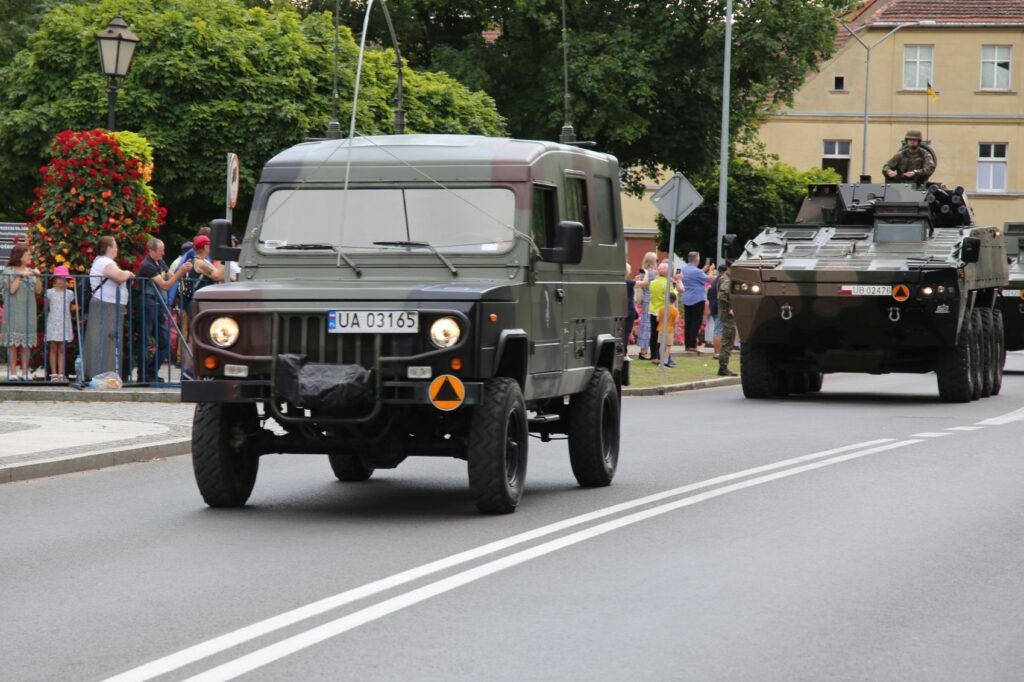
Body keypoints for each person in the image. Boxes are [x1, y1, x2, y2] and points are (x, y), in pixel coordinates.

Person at [136, 238, 192, 383]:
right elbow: (165, 285)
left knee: (165, 340)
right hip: (147, 303)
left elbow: (170, 276)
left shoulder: (160, 262)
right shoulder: (147, 265)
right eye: (161, 250)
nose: (163, 252)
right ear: (152, 251)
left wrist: (182, 274)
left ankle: (151, 371)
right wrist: (180, 272)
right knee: (145, 339)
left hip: (159, 304)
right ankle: (143, 375)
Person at [84, 236, 134, 380]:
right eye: (115, 246)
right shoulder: (105, 262)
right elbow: (119, 276)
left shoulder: (102, 262)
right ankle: (103, 374)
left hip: (107, 304)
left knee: (107, 339)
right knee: (106, 339)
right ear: (109, 248)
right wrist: (128, 273)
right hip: (106, 304)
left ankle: (104, 373)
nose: (117, 249)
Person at [1, 243, 43, 381]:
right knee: (13, 343)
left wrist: (37, 276)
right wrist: (20, 276)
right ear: (20, 256)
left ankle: (25, 372)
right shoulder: (8, 271)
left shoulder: (31, 271)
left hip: (28, 311)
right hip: (13, 311)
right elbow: (12, 290)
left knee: (26, 343)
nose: (31, 256)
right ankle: (13, 372)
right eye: (28, 254)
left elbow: (38, 291)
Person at [647, 260, 683, 364]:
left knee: (654, 334)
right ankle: (662, 357)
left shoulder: (653, 282)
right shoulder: (668, 283)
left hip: (653, 310)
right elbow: (672, 296)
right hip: (663, 312)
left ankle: (654, 356)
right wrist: (677, 287)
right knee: (663, 335)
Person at [45, 265, 76, 382]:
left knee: (62, 349)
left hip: (64, 322)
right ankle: (53, 374)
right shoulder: (50, 293)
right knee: (53, 348)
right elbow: (47, 308)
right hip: (53, 321)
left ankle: (62, 373)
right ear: (55, 279)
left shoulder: (69, 293)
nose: (63, 281)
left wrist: (75, 308)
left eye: (65, 279)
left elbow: (69, 307)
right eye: (60, 278)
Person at [680, 251, 710, 352]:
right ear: (696, 259)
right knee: (696, 322)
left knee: (688, 322)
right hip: (697, 299)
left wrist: (702, 270)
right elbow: (709, 279)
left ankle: (687, 344)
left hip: (686, 298)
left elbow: (694, 276)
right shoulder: (697, 272)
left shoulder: (683, 270)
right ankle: (692, 345)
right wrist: (710, 271)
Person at [634, 251, 658, 359]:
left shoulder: (643, 273)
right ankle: (644, 352)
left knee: (644, 324)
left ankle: (643, 350)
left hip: (645, 300)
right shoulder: (653, 273)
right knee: (649, 326)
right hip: (652, 299)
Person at [717, 261, 737, 376]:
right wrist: (729, 308)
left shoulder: (725, 278)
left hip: (726, 315)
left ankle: (723, 367)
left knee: (728, 341)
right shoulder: (727, 280)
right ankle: (723, 368)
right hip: (728, 316)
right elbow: (722, 295)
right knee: (727, 341)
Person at [657, 291, 680, 367]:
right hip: (669, 329)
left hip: (661, 328)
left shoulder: (661, 309)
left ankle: (661, 360)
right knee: (668, 346)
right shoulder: (675, 311)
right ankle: (666, 361)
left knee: (661, 345)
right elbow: (676, 321)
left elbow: (657, 319)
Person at [624, 263, 638, 350]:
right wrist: (646, 273)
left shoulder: (619, 282)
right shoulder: (629, 283)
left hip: (621, 309)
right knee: (626, 332)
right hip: (629, 309)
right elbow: (643, 283)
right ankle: (624, 352)